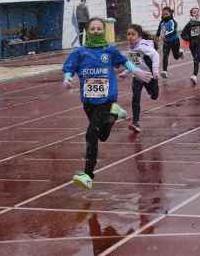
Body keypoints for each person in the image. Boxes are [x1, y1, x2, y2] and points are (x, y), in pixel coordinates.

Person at [62, 17, 152, 189]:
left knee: (91, 134)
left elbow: (125, 62)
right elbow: (69, 68)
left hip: (107, 97)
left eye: (99, 29)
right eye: (93, 29)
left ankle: (88, 175)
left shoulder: (110, 51)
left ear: (104, 31)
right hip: (88, 100)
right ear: (87, 31)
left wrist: (137, 72)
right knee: (101, 135)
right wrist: (67, 80)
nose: (96, 31)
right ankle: (114, 113)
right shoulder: (80, 52)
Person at [120, 24, 159, 133]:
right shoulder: (131, 48)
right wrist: (125, 72)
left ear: (139, 36)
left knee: (154, 96)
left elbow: (156, 55)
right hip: (137, 77)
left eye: (133, 34)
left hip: (149, 76)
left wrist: (155, 71)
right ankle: (135, 122)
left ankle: (152, 91)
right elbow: (133, 63)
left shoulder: (143, 46)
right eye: (128, 34)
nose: (130, 37)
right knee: (135, 98)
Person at [156, 6, 183, 78]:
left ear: (170, 14)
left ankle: (180, 53)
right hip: (166, 42)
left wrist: (165, 35)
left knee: (176, 57)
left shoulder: (173, 22)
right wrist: (156, 37)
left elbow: (173, 31)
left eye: (166, 14)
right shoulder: (161, 22)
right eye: (163, 14)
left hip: (175, 41)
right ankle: (164, 71)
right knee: (165, 55)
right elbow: (158, 30)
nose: (165, 16)